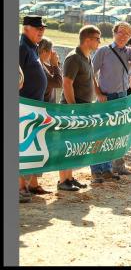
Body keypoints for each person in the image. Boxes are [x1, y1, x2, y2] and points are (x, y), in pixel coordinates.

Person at [91, 21, 131, 180]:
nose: (123, 36)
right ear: (114, 34)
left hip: (121, 98)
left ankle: (108, 168)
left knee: (114, 135)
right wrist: (98, 93)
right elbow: (91, 73)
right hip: (106, 98)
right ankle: (96, 170)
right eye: (120, 32)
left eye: (126, 33)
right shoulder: (103, 51)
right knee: (100, 135)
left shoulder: (129, 52)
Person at [60, 25, 103, 187]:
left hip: (83, 108)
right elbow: (67, 83)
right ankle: (63, 180)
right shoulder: (74, 58)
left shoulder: (88, 57)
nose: (99, 42)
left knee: (75, 145)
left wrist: (97, 93)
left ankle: (69, 178)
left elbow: (92, 79)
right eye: (97, 39)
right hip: (72, 109)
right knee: (67, 145)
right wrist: (73, 107)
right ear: (87, 40)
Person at [19, 15, 50, 201]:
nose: (41, 31)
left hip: (34, 105)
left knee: (33, 148)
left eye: (43, 28)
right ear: (26, 28)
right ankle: (19, 188)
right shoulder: (22, 47)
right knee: (21, 148)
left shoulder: (32, 47)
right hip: (24, 106)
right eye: (37, 28)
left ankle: (32, 183)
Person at [38, 37, 62, 103]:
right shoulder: (39, 67)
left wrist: (55, 64)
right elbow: (58, 83)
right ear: (44, 51)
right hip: (42, 108)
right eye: (50, 51)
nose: (51, 53)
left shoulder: (41, 63)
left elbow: (51, 71)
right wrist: (55, 65)